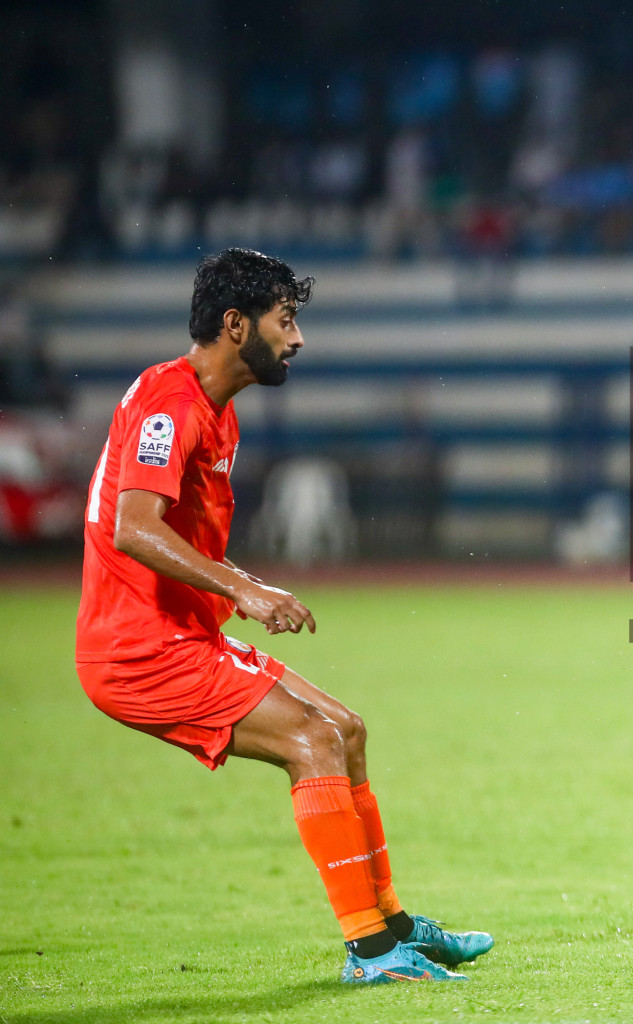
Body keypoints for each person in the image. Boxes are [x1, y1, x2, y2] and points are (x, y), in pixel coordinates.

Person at [75, 248, 493, 984]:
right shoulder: (172, 404)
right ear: (237, 325)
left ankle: (393, 924)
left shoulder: (214, 411)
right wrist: (244, 592)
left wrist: (240, 583)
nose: (298, 340)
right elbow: (133, 528)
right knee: (312, 740)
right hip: (139, 651)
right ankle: (370, 953)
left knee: (347, 730)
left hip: (180, 635)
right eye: (286, 321)